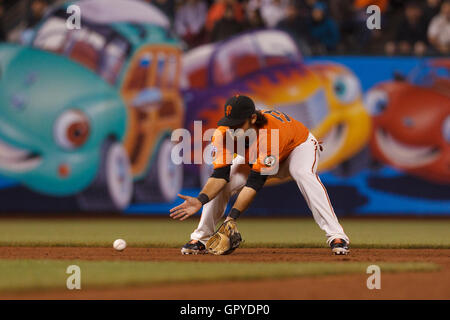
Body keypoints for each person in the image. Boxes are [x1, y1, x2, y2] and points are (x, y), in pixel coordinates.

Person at [170, 95, 350, 256]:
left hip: (297, 148)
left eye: (238, 124)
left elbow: (254, 184)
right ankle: (201, 238)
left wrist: (231, 218)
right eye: (230, 123)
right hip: (259, 156)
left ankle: (337, 236)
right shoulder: (223, 134)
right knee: (224, 185)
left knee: (302, 173)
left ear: (253, 119)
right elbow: (219, 176)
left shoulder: (270, 134)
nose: (233, 129)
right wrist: (200, 200)